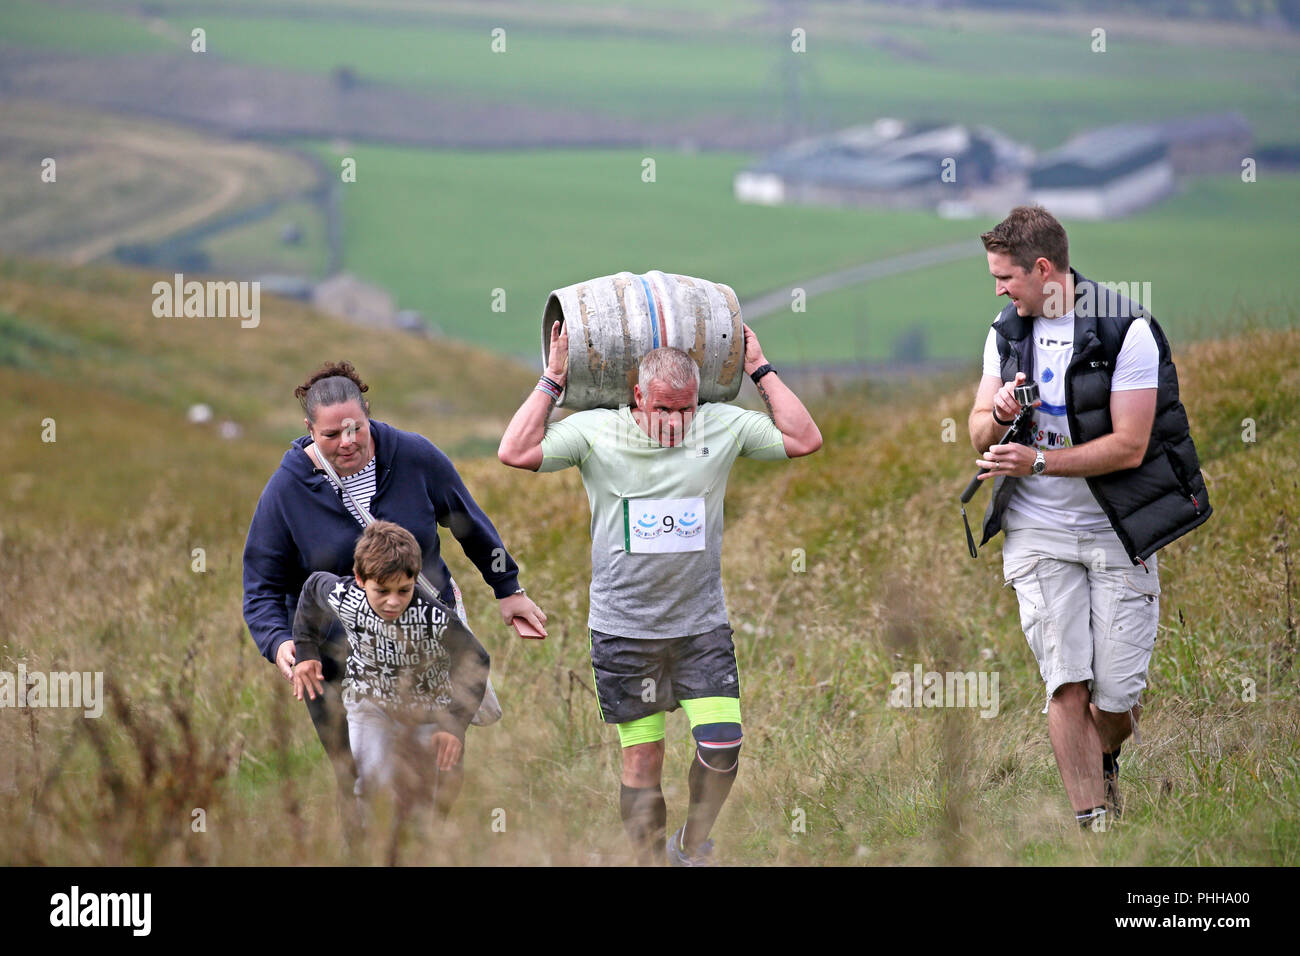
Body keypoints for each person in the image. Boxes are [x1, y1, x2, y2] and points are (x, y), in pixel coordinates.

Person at [498, 322, 822, 864]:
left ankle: (691, 848)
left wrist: (758, 369)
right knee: (643, 762)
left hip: (700, 628)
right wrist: (553, 378)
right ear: (638, 397)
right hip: (625, 629)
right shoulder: (596, 431)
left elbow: (804, 440)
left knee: (723, 748)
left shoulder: (721, 425)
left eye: (685, 409)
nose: (675, 422)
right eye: (663, 409)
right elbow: (515, 451)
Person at [967, 205, 1211, 831]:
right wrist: (996, 414)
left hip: (1117, 527)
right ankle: (1094, 830)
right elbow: (975, 435)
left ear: (1043, 269)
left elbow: (1130, 445)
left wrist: (1039, 463)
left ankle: (1103, 755)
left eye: (1006, 278)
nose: (998, 290)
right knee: (1065, 684)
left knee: (1114, 699)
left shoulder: (1124, 328)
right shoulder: (1004, 332)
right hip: (1037, 533)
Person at [243, 361, 547, 797]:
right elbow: (261, 585)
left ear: (367, 412)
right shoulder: (287, 489)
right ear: (309, 429)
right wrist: (279, 643)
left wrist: (508, 589)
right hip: (336, 662)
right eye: (331, 435)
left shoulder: (414, 456)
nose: (347, 442)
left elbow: (470, 526)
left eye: (356, 428)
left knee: (436, 773)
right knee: (359, 783)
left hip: (426, 644)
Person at [292, 520, 489, 817]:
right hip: (369, 702)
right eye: (382, 591)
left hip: (427, 709)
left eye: (404, 590)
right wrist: (306, 649)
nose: (393, 602)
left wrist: (453, 724)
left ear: (415, 579)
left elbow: (477, 659)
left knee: (425, 799)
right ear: (360, 578)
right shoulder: (346, 597)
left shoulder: (434, 617)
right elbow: (312, 587)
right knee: (368, 788)